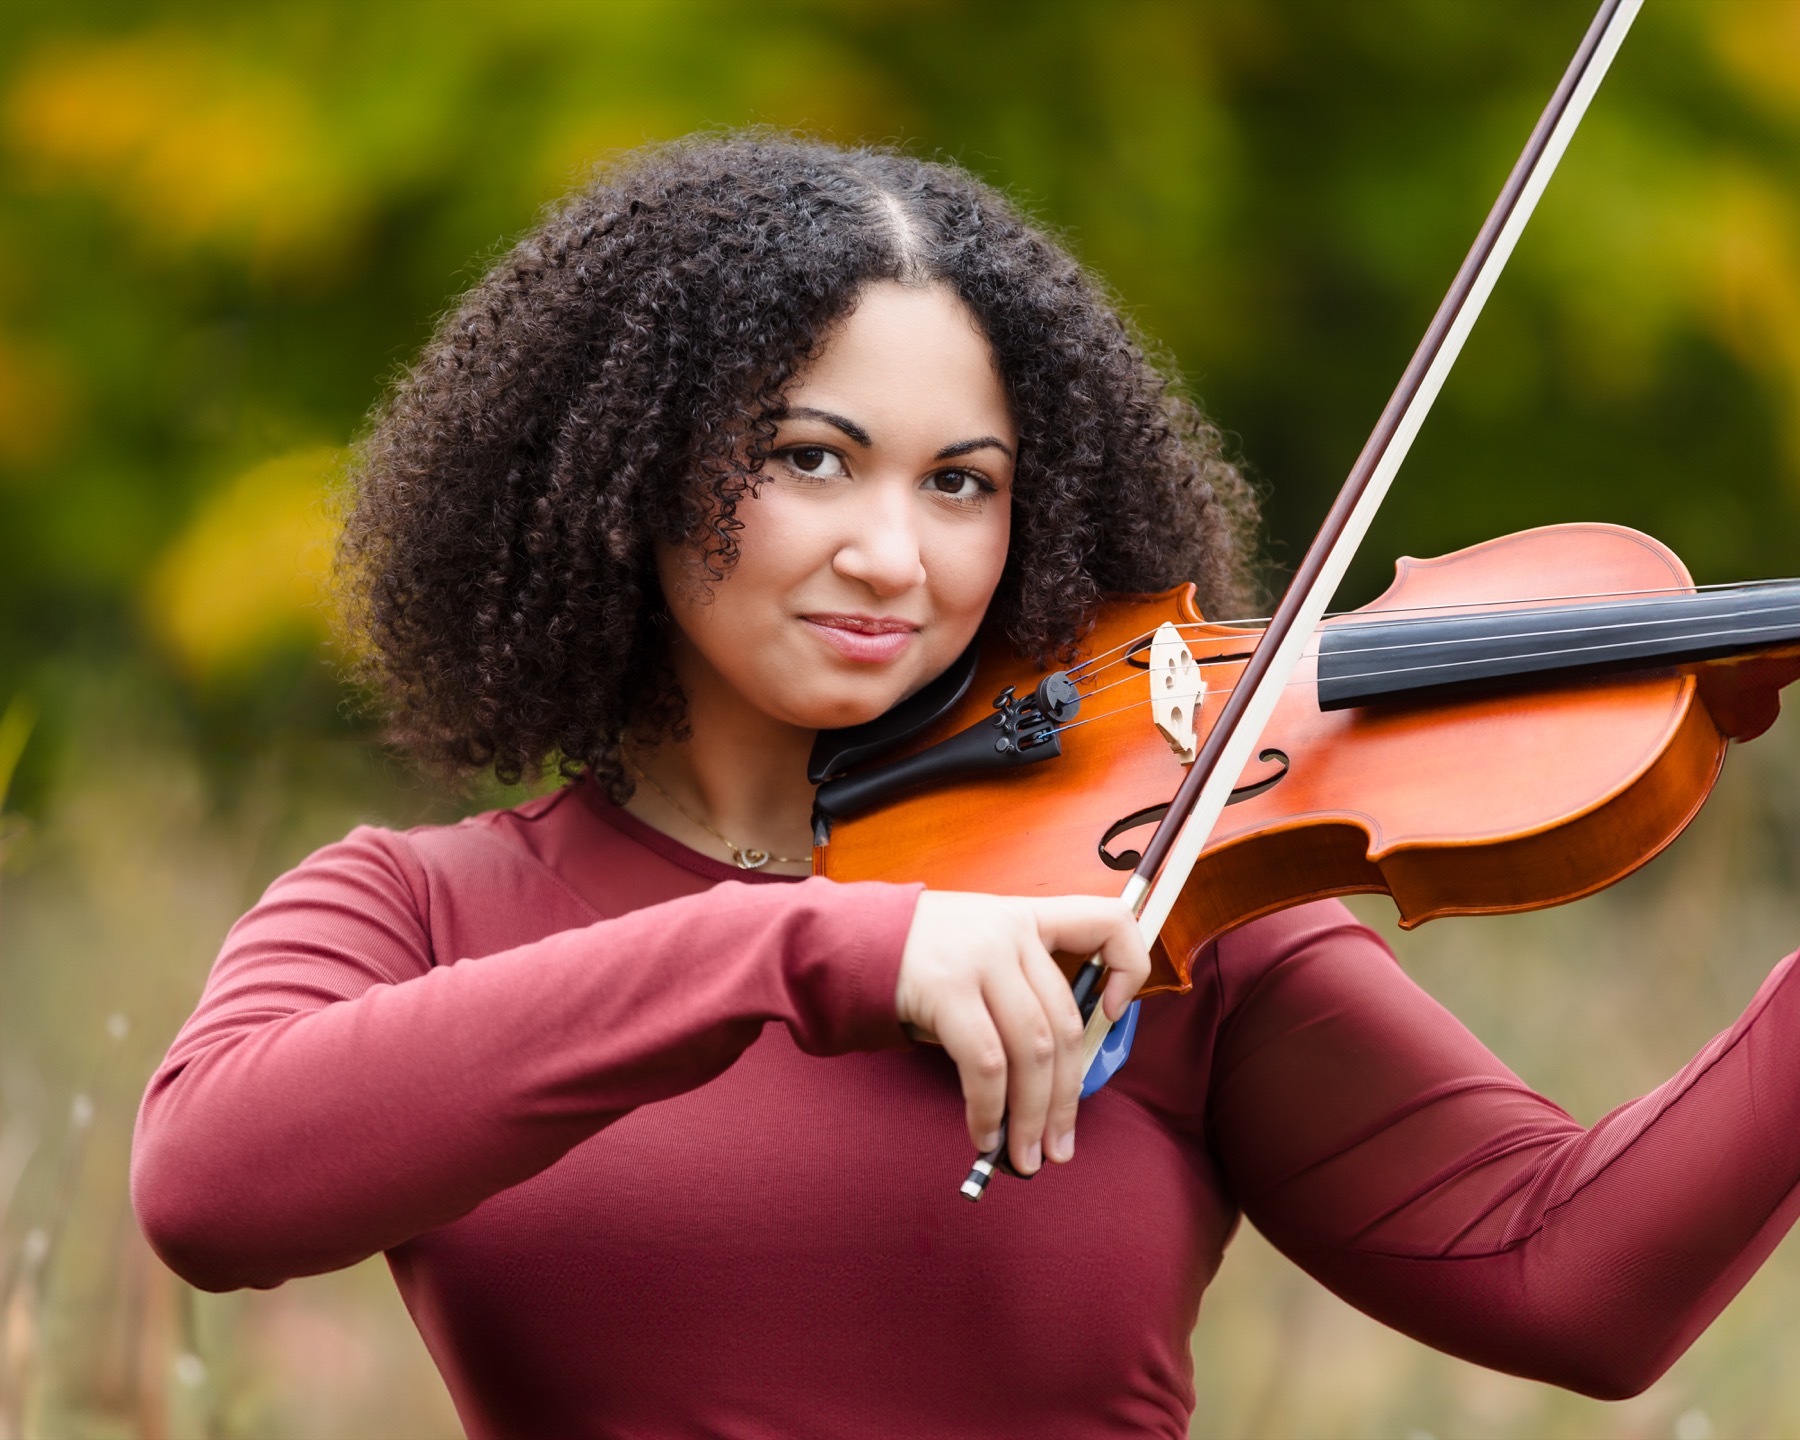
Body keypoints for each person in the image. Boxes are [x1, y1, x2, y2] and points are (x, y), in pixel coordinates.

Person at [132, 135, 1800, 1440]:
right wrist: (812, 946)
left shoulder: (1157, 904)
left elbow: (1566, 1279)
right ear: (626, 475)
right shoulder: (420, 910)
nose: (894, 556)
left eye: (964, 484)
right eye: (809, 460)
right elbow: (212, 1190)